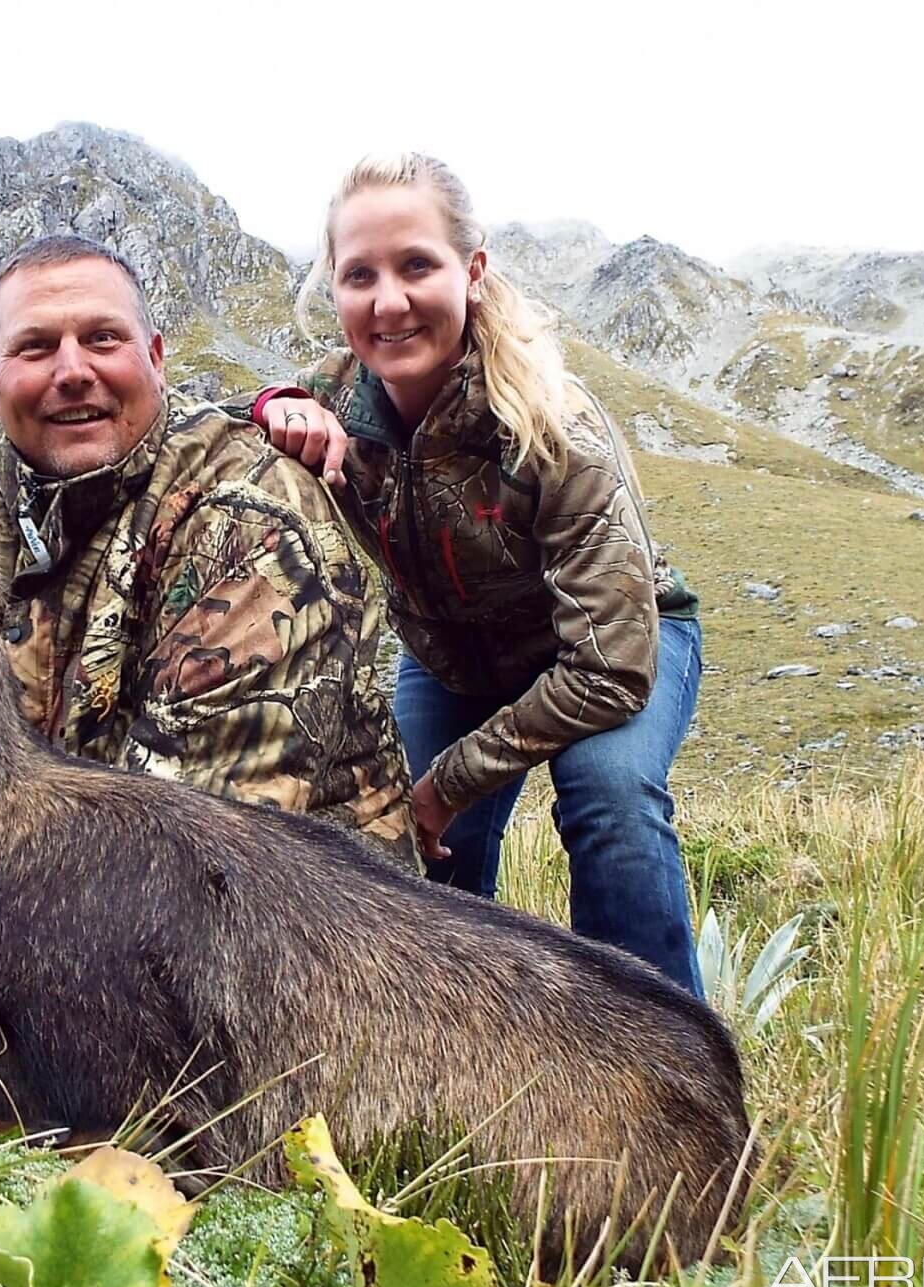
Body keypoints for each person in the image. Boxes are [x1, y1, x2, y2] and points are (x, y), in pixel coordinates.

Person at [242, 154, 704, 995]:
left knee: (609, 796)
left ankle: (672, 1067)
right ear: (334, 290)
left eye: (418, 265)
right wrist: (274, 406)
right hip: (453, 662)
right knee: (412, 847)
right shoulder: (339, 397)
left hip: (610, 650)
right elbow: (243, 415)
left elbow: (608, 670)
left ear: (473, 272)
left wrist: (448, 783)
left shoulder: (556, 428)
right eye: (360, 275)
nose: (389, 301)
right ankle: (452, 1055)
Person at [0, 233, 415, 861]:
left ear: (156, 359)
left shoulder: (253, 522)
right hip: (25, 889)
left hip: (285, 920)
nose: (73, 371)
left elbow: (185, 859)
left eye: (103, 339)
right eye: (35, 347)